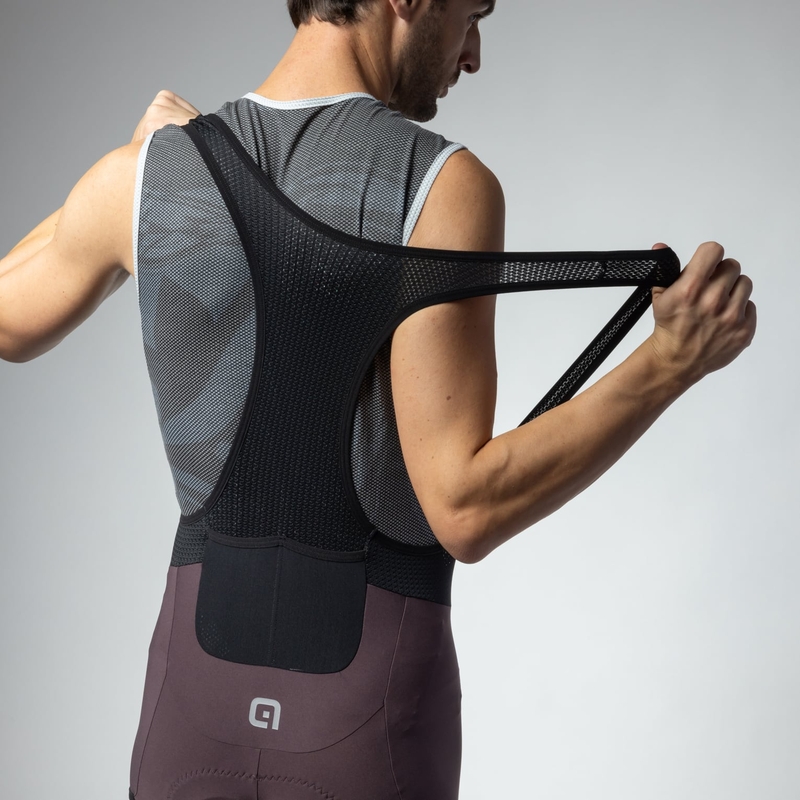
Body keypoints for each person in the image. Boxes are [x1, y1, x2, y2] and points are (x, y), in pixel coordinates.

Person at [0, 0, 756, 798]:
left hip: (188, 712)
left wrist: (138, 166)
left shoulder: (148, 173)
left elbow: (10, 321)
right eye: (471, 14)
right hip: (363, 726)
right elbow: (464, 507)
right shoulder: (442, 184)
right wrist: (669, 363)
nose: (473, 53)